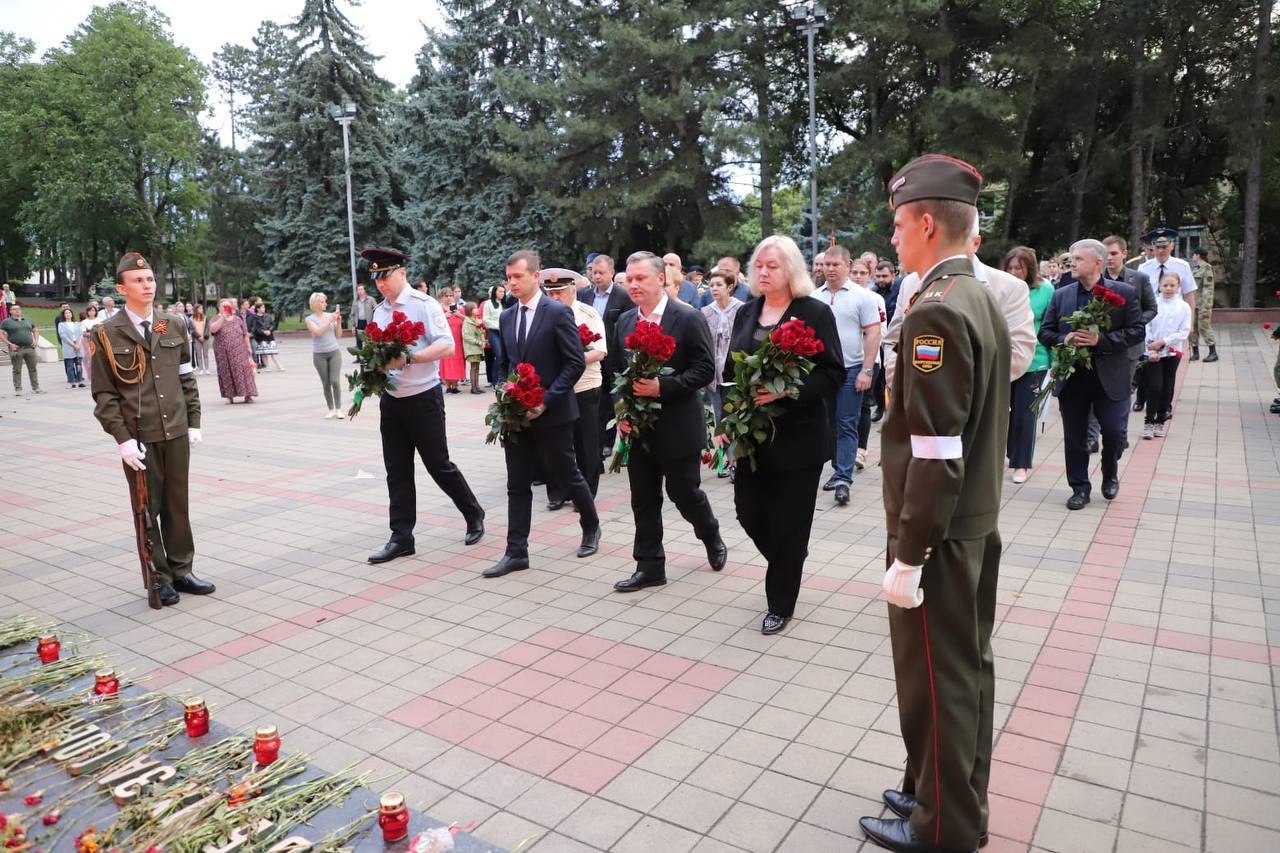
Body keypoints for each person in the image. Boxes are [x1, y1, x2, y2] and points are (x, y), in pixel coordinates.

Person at [859, 154, 1010, 853]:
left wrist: (910, 550)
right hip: (969, 523)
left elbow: (935, 450)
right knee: (963, 671)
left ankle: (944, 827)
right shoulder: (973, 295)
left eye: (896, 225)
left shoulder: (937, 311)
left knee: (939, 680)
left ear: (925, 222)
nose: (892, 239)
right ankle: (938, 789)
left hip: (939, 534)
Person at [720, 235, 844, 634]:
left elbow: (832, 372)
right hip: (752, 439)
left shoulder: (814, 312)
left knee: (790, 523)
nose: (764, 272)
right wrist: (726, 421)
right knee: (748, 512)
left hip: (799, 441)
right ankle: (789, 560)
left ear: (791, 270)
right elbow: (729, 375)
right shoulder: (746, 312)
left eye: (772, 266)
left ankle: (781, 601)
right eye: (759, 265)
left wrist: (787, 392)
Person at [89, 252, 212, 607]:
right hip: (139, 438)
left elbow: (186, 378)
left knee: (178, 505)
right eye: (139, 281)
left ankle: (182, 569)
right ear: (121, 288)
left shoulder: (170, 325)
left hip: (175, 431)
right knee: (148, 509)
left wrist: (194, 421)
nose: (148, 285)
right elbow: (104, 393)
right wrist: (122, 439)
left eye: (151, 279)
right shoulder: (108, 333)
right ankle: (159, 577)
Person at [612, 251, 726, 592]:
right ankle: (649, 566)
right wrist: (621, 413)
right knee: (643, 498)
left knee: (683, 492)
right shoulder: (625, 321)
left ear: (661, 279)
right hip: (639, 428)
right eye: (629, 279)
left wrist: (663, 386)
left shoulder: (687, 318)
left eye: (640, 278)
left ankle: (710, 533)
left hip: (678, 424)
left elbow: (705, 370)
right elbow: (616, 374)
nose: (633, 285)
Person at [362, 247, 485, 563]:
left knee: (438, 465)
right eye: (376, 278)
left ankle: (473, 513)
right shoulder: (379, 311)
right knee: (396, 470)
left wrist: (409, 357)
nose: (380, 283)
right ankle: (401, 536)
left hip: (423, 398)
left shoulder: (424, 305)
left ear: (401, 272)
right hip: (393, 402)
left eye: (385, 276)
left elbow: (447, 346)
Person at [483, 251, 601, 578]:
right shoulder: (506, 317)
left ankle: (591, 525)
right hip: (517, 415)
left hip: (553, 412)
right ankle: (516, 551)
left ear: (536, 276)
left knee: (567, 474)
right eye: (508, 278)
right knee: (517, 482)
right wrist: (504, 388)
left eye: (518, 277)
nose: (512, 284)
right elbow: (505, 362)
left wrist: (546, 399)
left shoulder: (557, 313)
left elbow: (574, 362)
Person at [1038, 239, 1144, 509]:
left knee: (1114, 433)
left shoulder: (1125, 293)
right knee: (1075, 436)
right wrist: (1066, 338)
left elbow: (1137, 332)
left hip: (1111, 377)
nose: (1071, 263)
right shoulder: (1061, 294)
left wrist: (1101, 341)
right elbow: (1045, 332)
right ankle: (1079, 488)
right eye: (1071, 258)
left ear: (1098, 263)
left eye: (1078, 259)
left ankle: (1110, 473)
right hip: (1074, 378)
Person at [814, 247, 881, 505]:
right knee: (829, 423)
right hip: (823, 370)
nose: (829, 269)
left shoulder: (863, 297)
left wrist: (866, 370)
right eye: (825, 265)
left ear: (847, 265)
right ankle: (837, 469)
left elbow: (873, 334)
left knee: (846, 423)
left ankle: (843, 479)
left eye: (834, 264)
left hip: (852, 369)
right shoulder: (814, 296)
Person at [543, 268, 607, 502]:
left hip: (584, 386)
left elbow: (600, 351)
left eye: (560, 292)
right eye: (550, 293)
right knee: (557, 443)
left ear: (572, 290)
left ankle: (587, 494)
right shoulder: (543, 315)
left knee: (586, 442)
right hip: (556, 388)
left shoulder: (587, 314)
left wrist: (571, 360)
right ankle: (558, 492)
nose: (555, 297)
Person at [1003, 247, 1055, 484]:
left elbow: (1050, 325)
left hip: (1035, 361)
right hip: (1003, 359)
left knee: (1026, 414)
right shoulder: (1000, 288)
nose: (1014, 273)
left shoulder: (1045, 291)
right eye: (1010, 268)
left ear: (1030, 269)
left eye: (1019, 268)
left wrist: (1053, 364)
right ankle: (1009, 452)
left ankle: (1021, 463)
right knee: (1004, 413)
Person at [579, 254, 635, 459]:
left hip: (614, 356)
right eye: (593, 272)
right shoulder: (585, 295)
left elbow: (629, 326)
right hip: (591, 355)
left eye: (601, 272)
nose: (596, 276)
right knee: (596, 401)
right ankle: (598, 441)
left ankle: (611, 441)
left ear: (611, 272)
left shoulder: (623, 296)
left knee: (615, 399)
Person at [1098, 235, 1155, 421]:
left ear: (1124, 253)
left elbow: (1152, 308)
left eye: (1113, 253)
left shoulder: (1139, 278)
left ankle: (1119, 430)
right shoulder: (1096, 278)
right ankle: (1095, 433)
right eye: (1105, 254)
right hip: (1101, 344)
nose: (1109, 258)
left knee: (1122, 390)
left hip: (1129, 345)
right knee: (1098, 389)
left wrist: (1135, 322)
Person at [700, 271, 744, 478]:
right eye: (712, 285)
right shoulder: (705, 312)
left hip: (734, 372)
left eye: (719, 285)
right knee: (719, 418)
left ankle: (736, 460)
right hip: (714, 373)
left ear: (730, 286)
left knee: (735, 416)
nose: (715, 289)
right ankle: (723, 460)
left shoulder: (741, 309)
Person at [1142, 272, 1191, 439]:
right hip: (1153, 351)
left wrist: (1164, 341)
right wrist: (1152, 346)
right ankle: (1149, 421)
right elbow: (1146, 325)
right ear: (1160, 286)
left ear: (1178, 287)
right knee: (1154, 386)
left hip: (1172, 351)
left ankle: (1160, 421)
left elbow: (1183, 331)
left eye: (1172, 285)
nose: (1169, 289)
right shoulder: (1153, 304)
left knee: (1167, 387)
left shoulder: (1183, 307)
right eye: (1165, 285)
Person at [1137, 227, 1197, 327]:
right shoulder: (1143, 268)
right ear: (1152, 246)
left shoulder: (1183, 266)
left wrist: (1189, 323)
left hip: (1176, 320)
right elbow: (1139, 297)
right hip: (1151, 321)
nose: (1161, 251)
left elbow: (1189, 296)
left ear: (1172, 246)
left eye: (1164, 247)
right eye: (1157, 247)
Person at [208, 298, 258, 403]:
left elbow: (245, 334)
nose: (225, 308)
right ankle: (229, 396)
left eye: (228, 306)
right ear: (219, 308)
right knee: (226, 372)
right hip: (223, 352)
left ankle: (248, 395)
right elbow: (213, 329)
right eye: (223, 306)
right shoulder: (215, 318)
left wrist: (248, 347)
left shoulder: (238, 319)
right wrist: (222, 317)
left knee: (244, 371)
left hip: (240, 350)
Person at [305, 292, 345, 419]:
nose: (325, 304)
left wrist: (338, 323)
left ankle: (339, 409)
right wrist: (329, 320)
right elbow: (318, 332)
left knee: (335, 381)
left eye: (325, 301)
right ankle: (331, 409)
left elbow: (338, 335)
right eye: (322, 302)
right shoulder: (310, 319)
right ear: (315, 304)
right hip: (319, 355)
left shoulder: (330, 316)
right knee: (326, 383)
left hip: (334, 352)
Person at [0, 304, 42, 395]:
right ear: (10, 311)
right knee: (17, 370)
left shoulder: (27, 320)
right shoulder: (6, 322)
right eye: (15, 309)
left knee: (33, 369)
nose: (17, 310)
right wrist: (10, 344)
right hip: (16, 349)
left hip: (29, 348)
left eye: (19, 309)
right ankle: (18, 389)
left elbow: (35, 330)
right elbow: (1, 334)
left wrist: (36, 340)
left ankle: (36, 388)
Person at [1188, 245, 1217, 362]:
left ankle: (1213, 353)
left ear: (1198, 255)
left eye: (1194, 254)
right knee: (1192, 329)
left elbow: (1208, 288)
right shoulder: (1195, 268)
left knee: (1204, 327)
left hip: (1202, 305)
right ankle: (1195, 353)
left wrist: (1206, 306)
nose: (1192, 256)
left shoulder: (1207, 268)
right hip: (1193, 304)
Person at [439, 289, 466, 393]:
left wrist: (459, 315)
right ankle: (447, 386)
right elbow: (434, 324)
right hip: (444, 340)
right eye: (446, 296)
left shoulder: (460, 309)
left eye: (451, 295)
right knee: (445, 361)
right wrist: (444, 317)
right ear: (441, 297)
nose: (449, 297)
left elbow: (468, 321)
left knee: (457, 361)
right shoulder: (439, 310)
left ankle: (455, 386)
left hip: (458, 340)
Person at [461, 301, 487, 394]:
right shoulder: (467, 321)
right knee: (473, 367)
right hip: (472, 348)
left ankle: (477, 386)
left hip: (478, 348)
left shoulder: (477, 320)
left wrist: (483, 341)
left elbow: (481, 333)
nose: (477, 309)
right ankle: (473, 388)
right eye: (474, 308)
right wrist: (478, 342)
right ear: (469, 310)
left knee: (477, 367)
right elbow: (466, 336)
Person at [482, 285, 506, 385]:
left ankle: (503, 378)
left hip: (504, 332)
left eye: (503, 292)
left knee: (504, 356)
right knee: (499, 355)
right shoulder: (488, 303)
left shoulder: (505, 303)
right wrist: (497, 326)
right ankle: (495, 381)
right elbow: (485, 319)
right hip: (494, 332)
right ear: (495, 292)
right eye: (500, 291)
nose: (502, 293)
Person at [56, 307, 85, 388]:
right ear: (64, 315)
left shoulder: (77, 324)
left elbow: (81, 334)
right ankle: (72, 382)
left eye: (69, 312)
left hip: (78, 345)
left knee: (79, 365)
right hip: (68, 346)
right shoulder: (61, 324)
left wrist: (78, 344)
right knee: (70, 365)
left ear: (72, 314)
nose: (68, 314)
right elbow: (63, 336)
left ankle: (80, 381)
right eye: (66, 313)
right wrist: (73, 344)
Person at [251, 303, 284, 371]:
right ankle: (267, 366)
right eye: (262, 307)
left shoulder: (268, 316)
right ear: (258, 309)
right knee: (263, 353)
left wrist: (270, 330)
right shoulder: (254, 317)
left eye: (264, 307)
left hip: (269, 336)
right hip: (261, 337)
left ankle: (279, 365)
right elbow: (255, 327)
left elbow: (272, 324)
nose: (264, 309)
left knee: (272, 352)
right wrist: (263, 331)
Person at [351, 283, 379, 348]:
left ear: (364, 290)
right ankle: (359, 358)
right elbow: (352, 313)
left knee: (369, 340)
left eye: (361, 289)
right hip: (359, 323)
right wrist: (353, 325)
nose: (360, 291)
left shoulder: (371, 299)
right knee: (359, 341)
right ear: (357, 291)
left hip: (368, 323)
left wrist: (375, 322)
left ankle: (369, 357)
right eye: (358, 290)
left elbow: (377, 310)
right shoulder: (355, 301)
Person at [81, 304, 103, 380]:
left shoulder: (99, 320)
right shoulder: (84, 322)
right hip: (89, 342)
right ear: (87, 312)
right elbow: (83, 333)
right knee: (91, 360)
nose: (91, 312)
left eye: (93, 310)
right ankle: (92, 376)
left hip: (100, 341)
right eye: (90, 311)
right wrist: (91, 333)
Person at [190, 304, 209, 375]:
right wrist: (198, 337)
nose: (202, 310)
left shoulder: (205, 317)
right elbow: (192, 329)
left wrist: (204, 336)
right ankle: (201, 369)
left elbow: (207, 327)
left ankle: (207, 368)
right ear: (196, 309)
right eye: (200, 308)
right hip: (197, 338)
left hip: (205, 338)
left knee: (205, 354)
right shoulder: (191, 319)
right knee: (199, 355)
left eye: (202, 308)